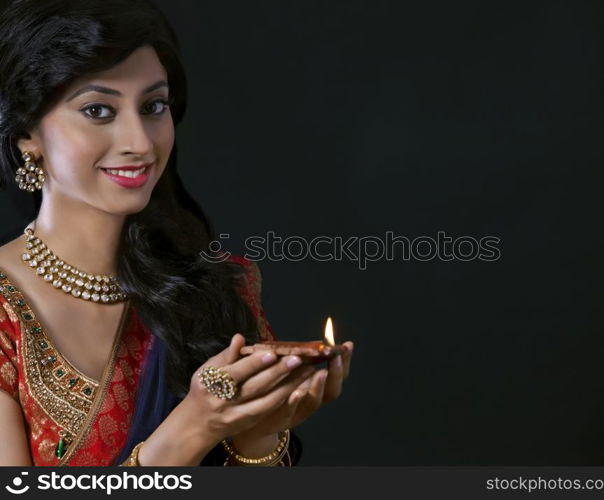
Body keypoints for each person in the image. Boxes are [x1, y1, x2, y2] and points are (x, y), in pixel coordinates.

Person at [0, 0, 353, 466]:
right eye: (99, 110)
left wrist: (260, 435)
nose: (141, 143)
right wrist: (194, 427)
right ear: (27, 132)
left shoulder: (217, 286)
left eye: (153, 106)